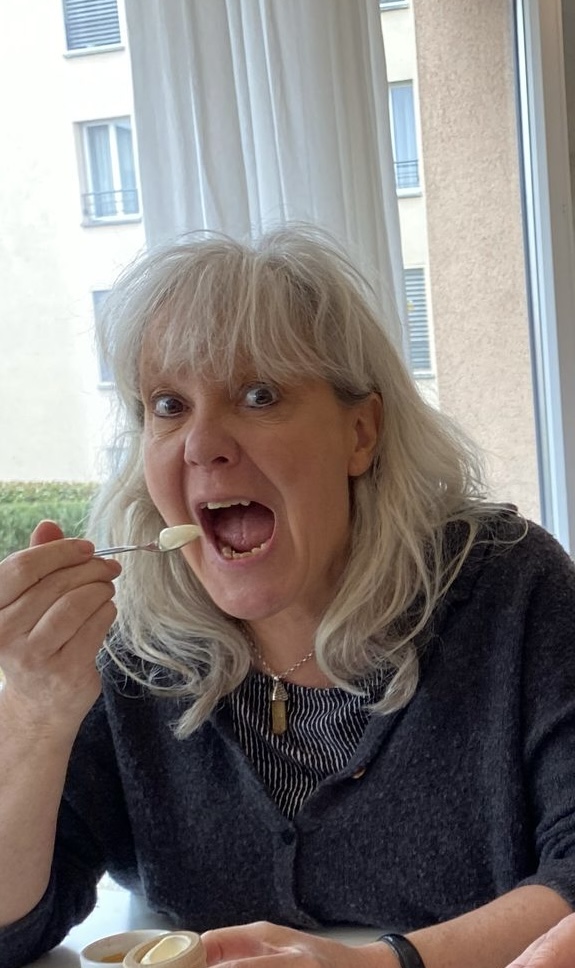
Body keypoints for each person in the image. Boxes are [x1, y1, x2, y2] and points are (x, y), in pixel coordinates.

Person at [1, 225, 575, 968]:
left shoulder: (509, 587)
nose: (202, 444)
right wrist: (35, 710)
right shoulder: (132, 641)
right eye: (168, 405)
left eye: (258, 394)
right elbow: (13, 928)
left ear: (360, 433)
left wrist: (379, 965)